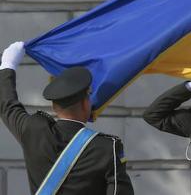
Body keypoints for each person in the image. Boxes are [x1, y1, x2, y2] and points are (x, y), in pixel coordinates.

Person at [0, 42, 134, 194]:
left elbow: (7, 106)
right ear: (85, 104)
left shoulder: (34, 130)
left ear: (54, 107)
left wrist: (8, 65)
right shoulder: (106, 147)